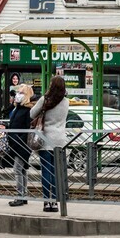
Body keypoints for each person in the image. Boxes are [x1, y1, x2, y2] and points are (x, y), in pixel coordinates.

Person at [30, 75, 69, 213]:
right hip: (60, 140)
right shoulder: (66, 102)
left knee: (46, 170)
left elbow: (32, 113)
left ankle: (47, 201)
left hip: (46, 139)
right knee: (55, 171)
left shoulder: (45, 100)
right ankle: (56, 202)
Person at [7, 84, 34, 207]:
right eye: (18, 92)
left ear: (27, 95)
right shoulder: (17, 108)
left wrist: (20, 141)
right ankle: (23, 195)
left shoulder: (27, 110)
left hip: (21, 144)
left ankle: (20, 196)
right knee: (22, 170)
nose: (18, 95)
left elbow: (28, 128)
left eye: (21, 93)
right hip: (16, 143)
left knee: (17, 169)